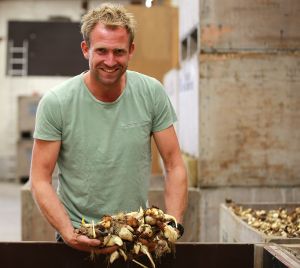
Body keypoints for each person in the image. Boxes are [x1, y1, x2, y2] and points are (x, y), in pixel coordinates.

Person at [30, 2, 188, 254]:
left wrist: (173, 226)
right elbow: (39, 179)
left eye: (119, 52)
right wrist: (68, 233)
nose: (110, 61)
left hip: (134, 235)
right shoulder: (57, 102)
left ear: (131, 50)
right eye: (101, 51)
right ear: (85, 49)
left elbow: (174, 163)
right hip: (78, 235)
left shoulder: (151, 93)